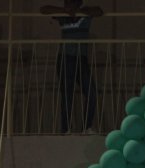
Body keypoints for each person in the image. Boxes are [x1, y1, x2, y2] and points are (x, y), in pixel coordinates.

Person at [40, 0, 103, 134]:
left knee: (91, 92)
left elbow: (99, 11)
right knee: (67, 94)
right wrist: (66, 11)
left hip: (81, 59)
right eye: (66, 2)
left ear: (78, 3)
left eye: (71, 2)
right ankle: (66, 128)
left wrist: (81, 11)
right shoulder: (63, 15)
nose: (68, 4)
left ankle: (86, 127)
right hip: (65, 58)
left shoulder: (85, 13)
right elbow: (44, 9)